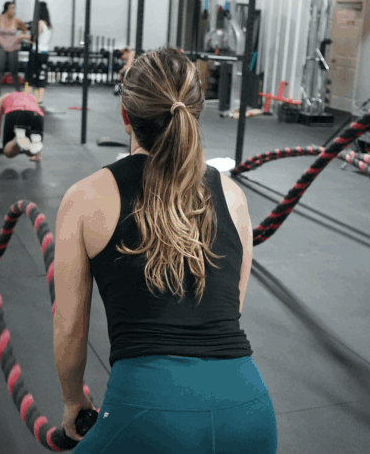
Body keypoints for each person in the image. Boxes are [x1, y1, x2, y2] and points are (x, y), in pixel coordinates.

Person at [52, 47, 277, 453]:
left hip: (149, 418)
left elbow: (69, 328)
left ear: (125, 116)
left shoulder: (83, 199)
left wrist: (73, 401)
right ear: (195, 112)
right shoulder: (234, 196)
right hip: (251, 413)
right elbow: (231, 306)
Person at [0, 2, 30, 99]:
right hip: (0, 46)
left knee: (14, 70)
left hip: (13, 47)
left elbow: (24, 29)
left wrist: (20, 39)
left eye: (14, 8)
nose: (13, 10)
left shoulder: (17, 21)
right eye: (12, 8)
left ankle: (18, 91)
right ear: (6, 9)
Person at [0, 86, 45, 163]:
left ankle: (17, 140)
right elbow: (40, 113)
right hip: (37, 115)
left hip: (16, 112)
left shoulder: (1, 100)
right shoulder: (30, 97)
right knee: (30, 152)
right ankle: (26, 138)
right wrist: (37, 156)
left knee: (8, 153)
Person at [24, 1, 53, 104]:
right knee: (41, 75)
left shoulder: (40, 23)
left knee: (30, 75)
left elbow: (34, 38)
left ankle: (27, 97)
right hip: (44, 53)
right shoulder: (49, 25)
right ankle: (40, 99)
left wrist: (22, 36)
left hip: (36, 52)